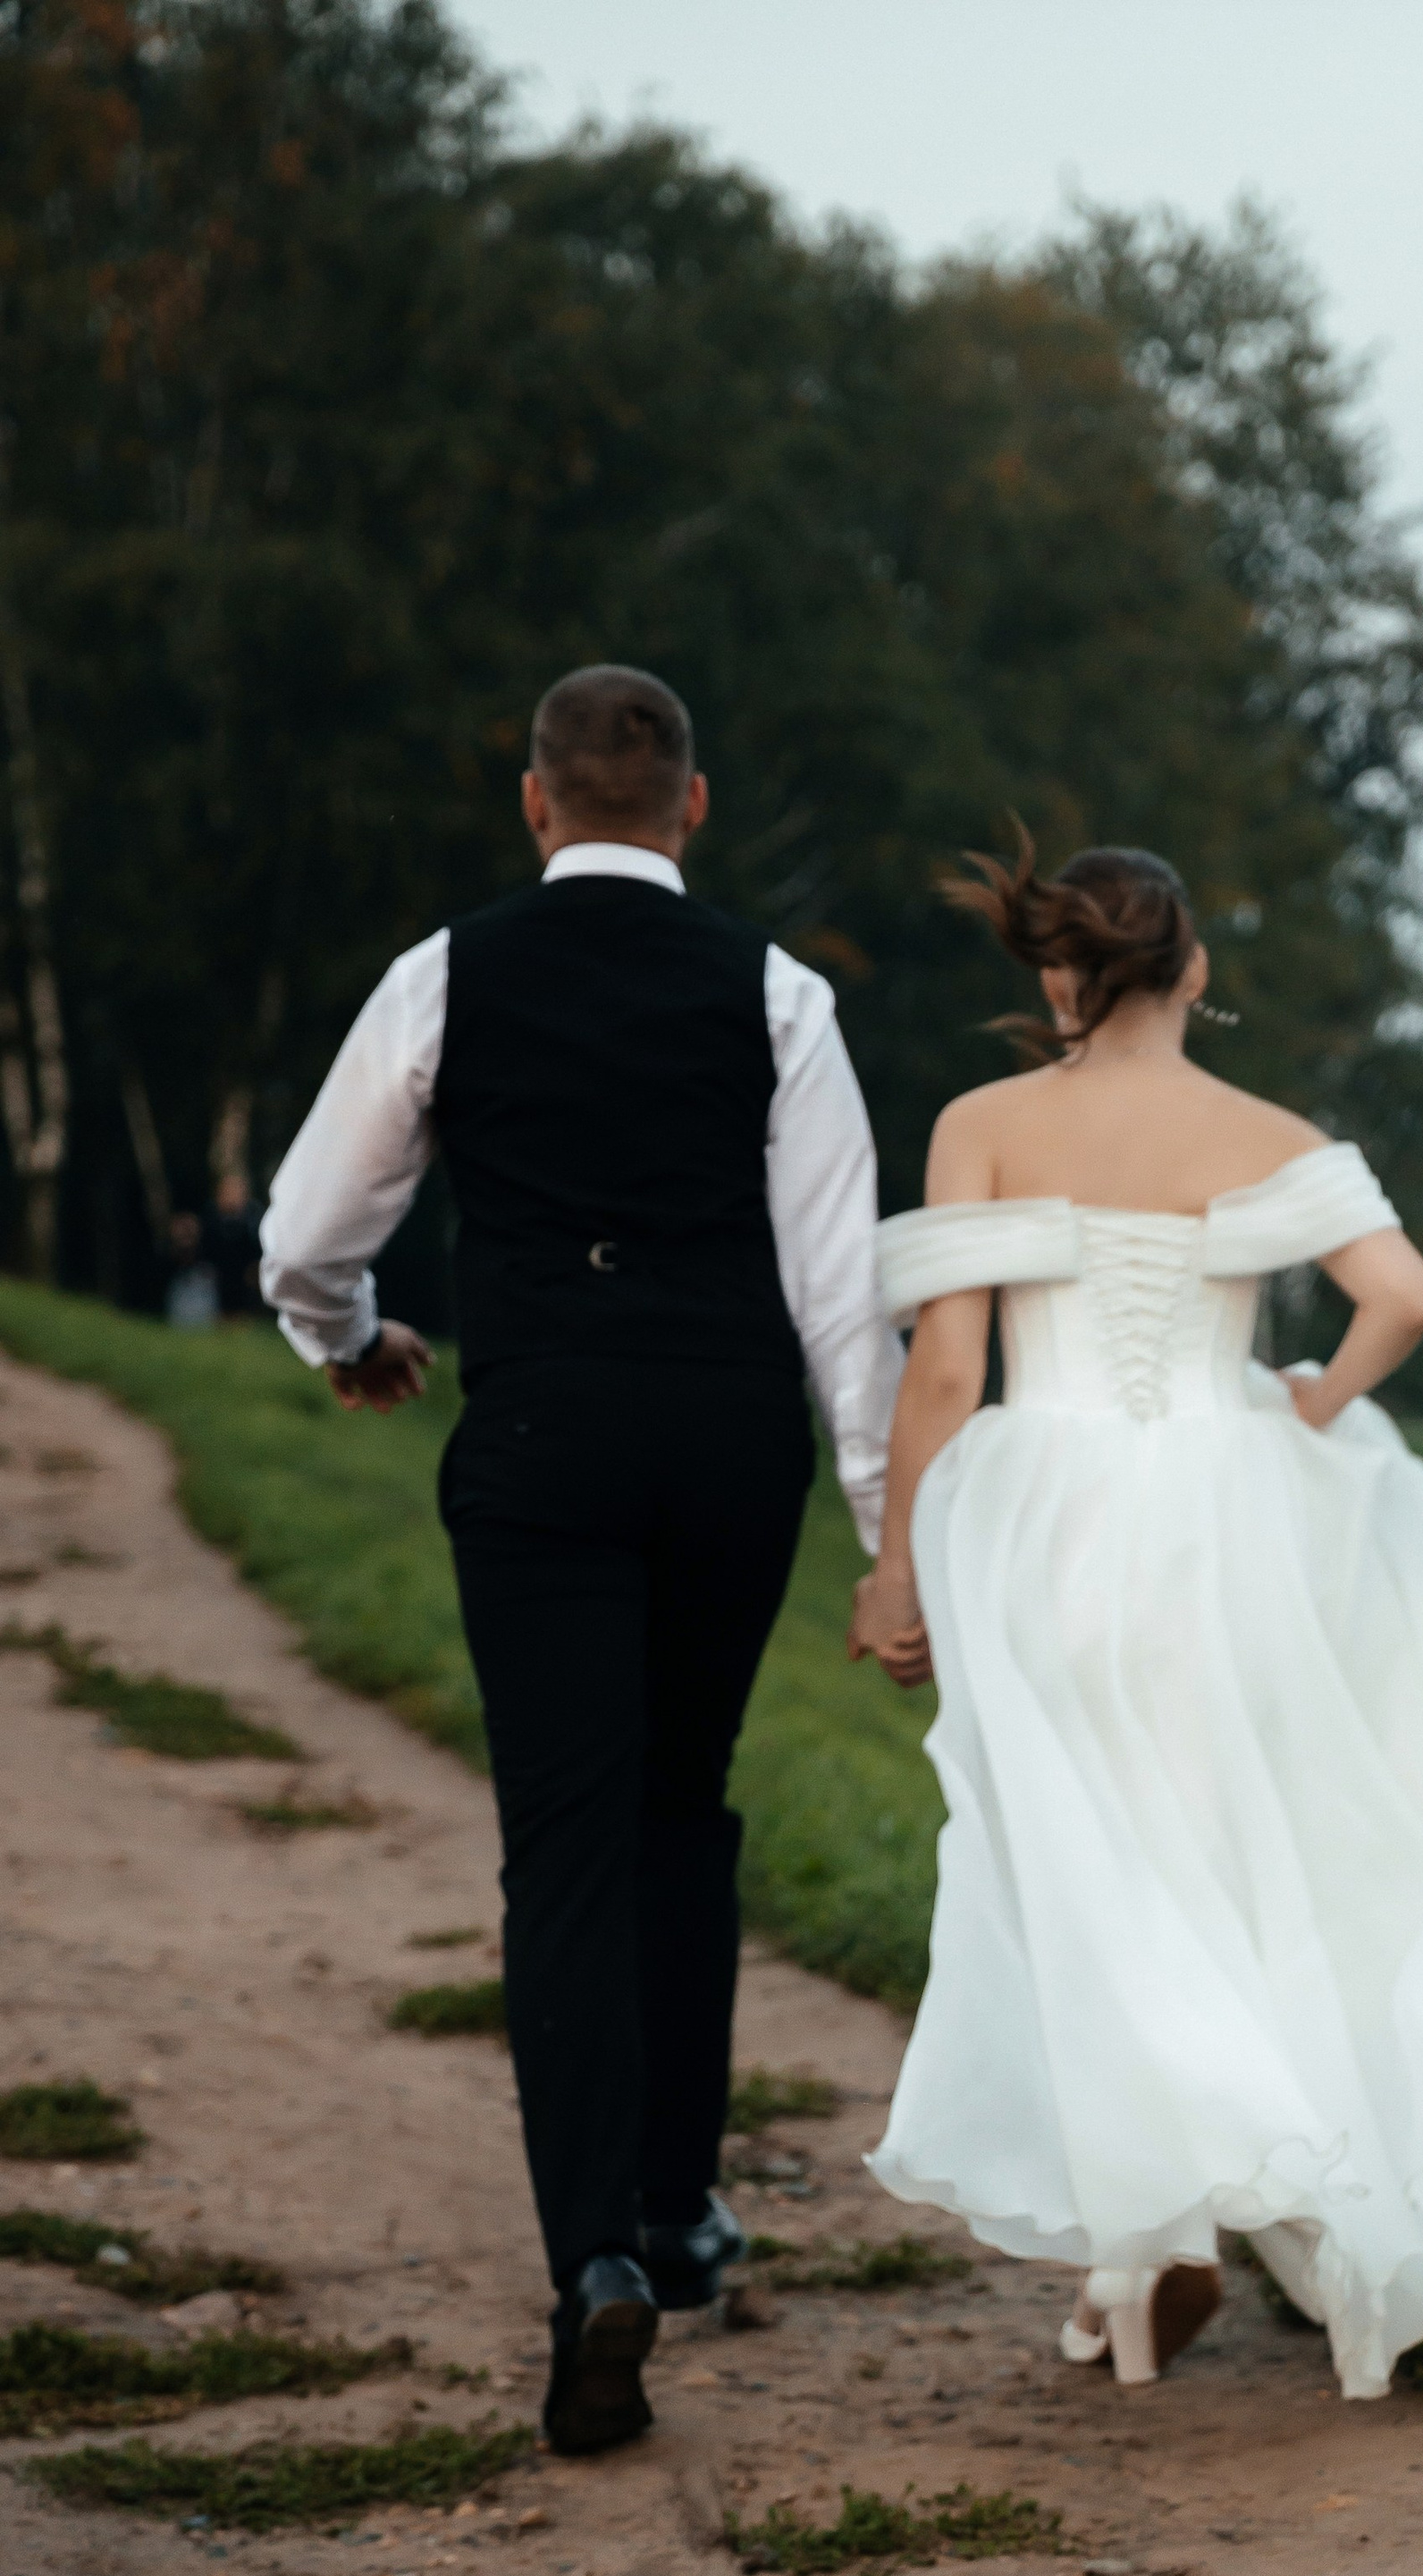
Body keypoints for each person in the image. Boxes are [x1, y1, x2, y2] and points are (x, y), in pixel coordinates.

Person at [847, 837, 1423, 2398]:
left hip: (1054, 1522)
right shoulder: (1271, 1134)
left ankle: (1148, 2248)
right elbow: (1402, 1296)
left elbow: (946, 1371)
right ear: (1196, 971)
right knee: (1235, 1855)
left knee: (1092, 1869)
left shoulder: (987, 1124)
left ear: (1058, 976)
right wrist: (1316, 1400)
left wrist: (896, 1568)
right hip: (1232, 1522)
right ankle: (1188, 2232)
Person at [259, 666, 903, 2454]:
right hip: (721, 1439)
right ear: (691, 808)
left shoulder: (443, 975)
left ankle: (594, 2263)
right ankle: (682, 2204)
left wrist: (345, 1338)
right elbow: (844, 1292)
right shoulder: (776, 995)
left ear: (533, 805)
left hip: (538, 1432)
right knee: (681, 1803)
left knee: (562, 1845)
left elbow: (313, 1229)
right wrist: (886, 1534)